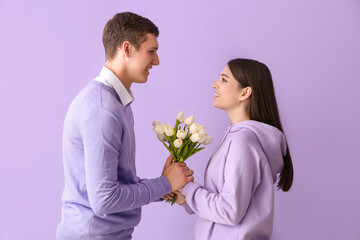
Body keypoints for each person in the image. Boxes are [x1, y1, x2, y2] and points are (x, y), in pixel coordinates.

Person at [56, 12, 194, 240]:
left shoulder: (116, 103)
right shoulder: (103, 111)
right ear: (127, 49)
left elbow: (116, 184)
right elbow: (105, 200)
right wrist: (164, 183)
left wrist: (165, 189)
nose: (157, 61)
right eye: (151, 51)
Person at [168, 58, 294, 240]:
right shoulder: (238, 137)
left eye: (224, 79)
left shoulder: (243, 140)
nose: (214, 85)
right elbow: (228, 207)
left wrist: (188, 189)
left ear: (245, 93)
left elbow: (229, 211)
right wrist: (185, 198)